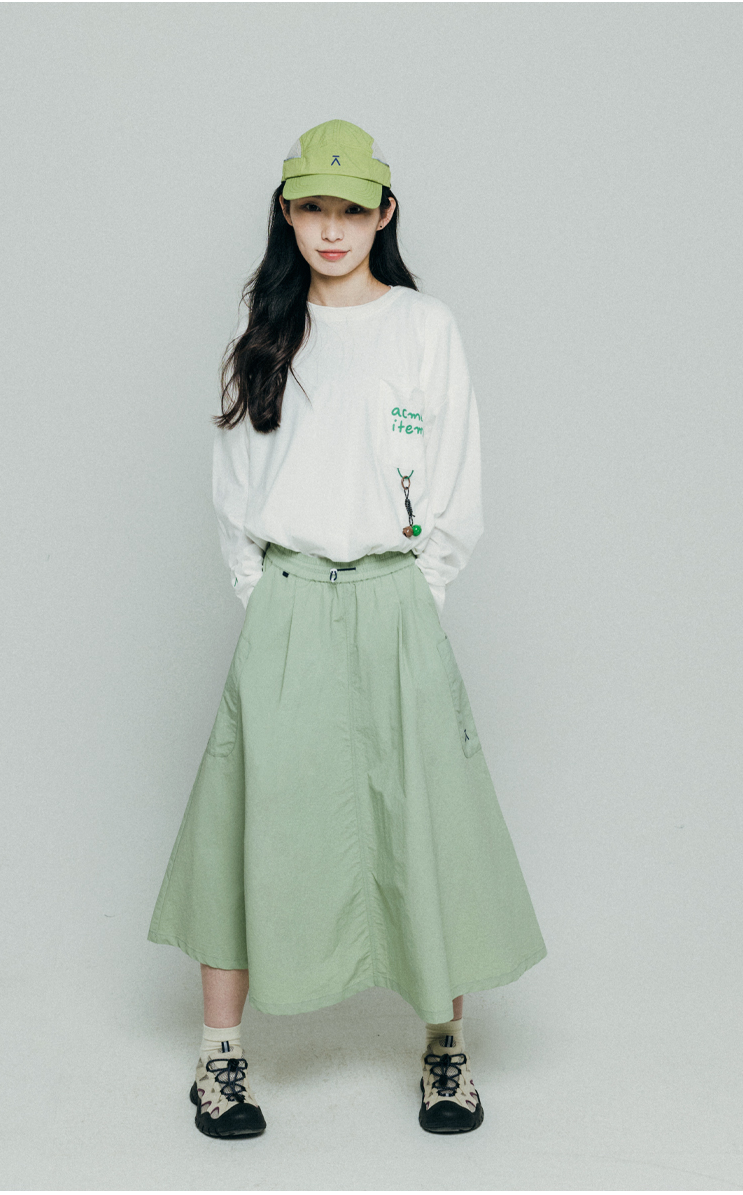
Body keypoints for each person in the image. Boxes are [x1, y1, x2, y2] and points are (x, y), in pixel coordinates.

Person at [147, 118, 547, 1138]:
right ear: (287, 213)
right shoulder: (265, 329)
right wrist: (269, 595)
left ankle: (445, 1050)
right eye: (313, 208)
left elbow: (455, 480)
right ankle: (220, 1059)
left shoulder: (424, 327)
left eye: (351, 209)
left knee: (425, 815)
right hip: (288, 597)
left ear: (384, 212)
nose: (332, 229)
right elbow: (235, 487)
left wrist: (416, 591)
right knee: (249, 816)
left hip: (394, 596)